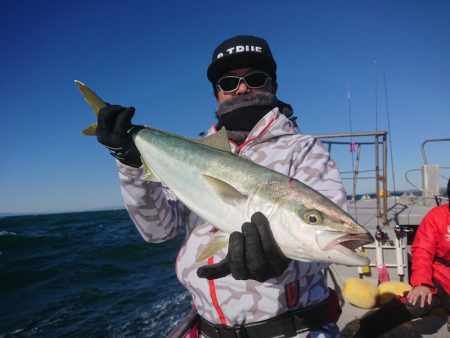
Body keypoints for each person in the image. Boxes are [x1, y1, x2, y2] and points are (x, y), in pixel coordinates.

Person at [96, 35, 347, 337]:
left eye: (255, 78)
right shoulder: (194, 154)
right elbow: (157, 230)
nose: (242, 88)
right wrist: (129, 162)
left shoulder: (304, 150)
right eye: (228, 83)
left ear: (274, 87)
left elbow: (322, 243)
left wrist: (283, 260)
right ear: (216, 94)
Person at [356, 178, 450, 337]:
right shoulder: (437, 216)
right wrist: (422, 283)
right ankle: (366, 329)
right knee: (415, 303)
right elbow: (422, 250)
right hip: (439, 277)